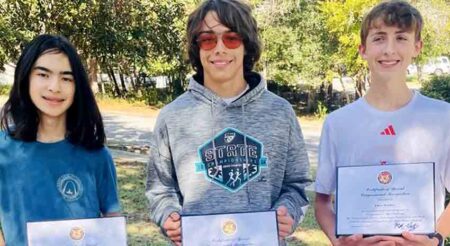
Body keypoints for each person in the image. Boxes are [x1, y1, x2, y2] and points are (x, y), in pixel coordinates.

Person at [146, 0, 311, 245]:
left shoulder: (280, 112)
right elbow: (160, 189)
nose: (219, 49)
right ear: (197, 48)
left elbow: (296, 184)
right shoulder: (172, 116)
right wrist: (168, 215)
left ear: (247, 45)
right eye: (208, 39)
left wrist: (289, 211)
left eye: (231, 38)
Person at [314, 1, 450, 245]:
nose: (389, 49)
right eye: (378, 38)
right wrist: (340, 241)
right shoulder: (337, 123)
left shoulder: (443, 117)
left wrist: (435, 239)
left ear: (417, 47)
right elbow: (322, 201)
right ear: (363, 49)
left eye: (401, 38)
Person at [0, 34, 121, 245]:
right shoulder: (3, 151)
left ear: (77, 87)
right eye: (43, 74)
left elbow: (112, 220)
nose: (55, 87)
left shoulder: (97, 155)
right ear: (26, 76)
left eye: (66, 78)